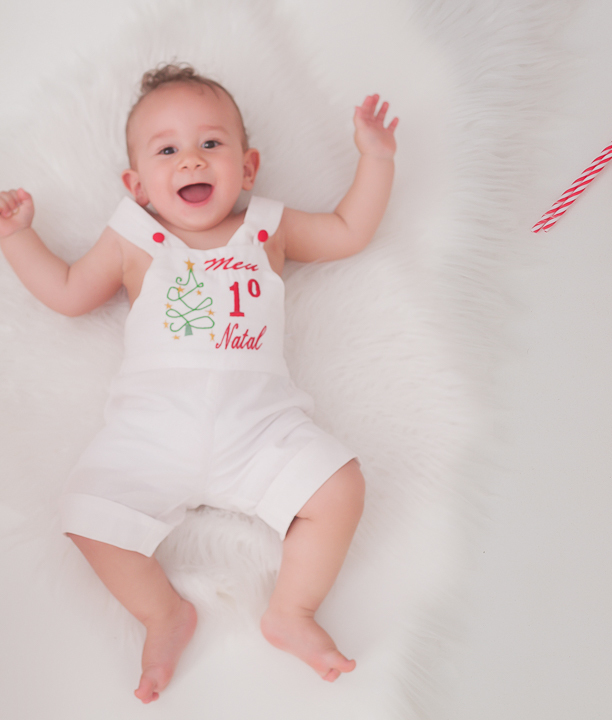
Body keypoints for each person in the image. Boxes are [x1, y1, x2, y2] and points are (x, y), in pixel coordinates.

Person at [0, 64, 397, 703]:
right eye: (167, 150)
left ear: (248, 167)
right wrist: (18, 240)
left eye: (211, 143)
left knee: (341, 486)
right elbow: (70, 293)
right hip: (150, 435)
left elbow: (349, 232)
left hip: (260, 427)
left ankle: (291, 610)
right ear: (136, 185)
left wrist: (375, 160)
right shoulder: (133, 236)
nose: (191, 159)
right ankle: (163, 614)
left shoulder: (269, 227)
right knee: (85, 514)